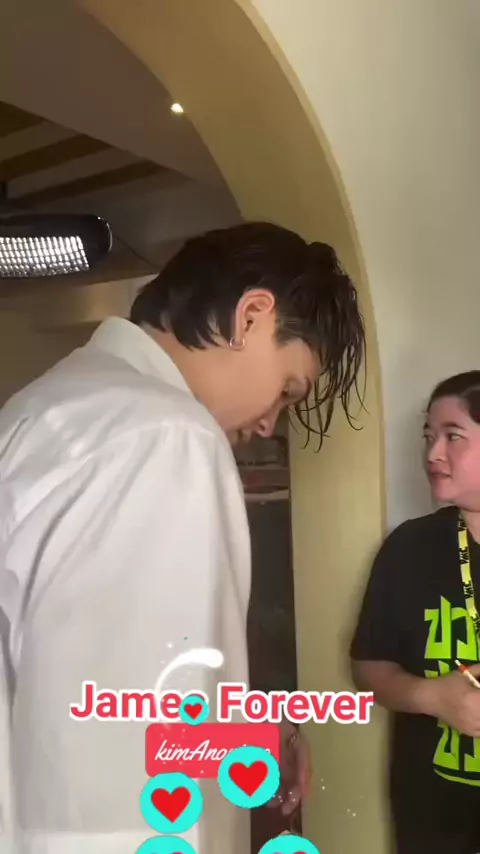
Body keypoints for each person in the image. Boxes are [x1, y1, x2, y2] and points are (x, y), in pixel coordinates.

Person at [0, 221, 365, 854]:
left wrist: (249, 732)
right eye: (287, 389)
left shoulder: (52, 405)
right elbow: (121, 786)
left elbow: (94, 701)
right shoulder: (166, 436)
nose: (268, 423)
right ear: (251, 317)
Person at [350, 371, 480, 854]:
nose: (432, 454)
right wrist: (433, 697)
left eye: (453, 436)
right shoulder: (409, 547)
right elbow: (367, 667)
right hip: (432, 817)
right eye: (428, 437)